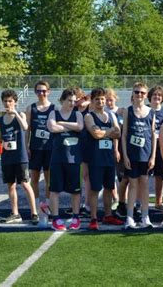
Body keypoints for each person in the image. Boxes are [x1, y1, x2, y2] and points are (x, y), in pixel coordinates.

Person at [85, 88, 124, 230]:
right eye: (97, 99)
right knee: (95, 189)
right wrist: (109, 132)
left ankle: (108, 216)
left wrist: (103, 133)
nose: (100, 101)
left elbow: (118, 133)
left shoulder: (111, 115)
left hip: (108, 158)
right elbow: (95, 134)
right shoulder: (89, 116)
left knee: (109, 188)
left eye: (102, 99)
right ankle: (94, 218)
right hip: (95, 158)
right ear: (92, 101)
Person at [0, 89, 38, 225]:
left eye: (10, 101)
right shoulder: (1, 119)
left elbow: (26, 127)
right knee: (10, 185)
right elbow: (1, 136)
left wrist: (15, 112)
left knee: (25, 184)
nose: (8, 103)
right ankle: (15, 213)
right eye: (5, 101)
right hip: (7, 157)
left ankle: (34, 213)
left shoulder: (20, 114)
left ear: (15, 102)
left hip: (20, 157)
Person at [47, 88, 84, 231]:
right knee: (55, 190)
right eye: (69, 100)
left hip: (74, 159)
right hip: (57, 158)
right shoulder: (53, 113)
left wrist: (61, 123)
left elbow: (80, 127)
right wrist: (70, 127)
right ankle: (56, 218)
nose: (72, 103)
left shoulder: (77, 114)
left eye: (74, 101)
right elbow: (52, 128)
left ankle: (76, 217)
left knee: (75, 191)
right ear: (62, 100)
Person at [122, 82, 156, 229]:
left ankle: (145, 217)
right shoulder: (128, 111)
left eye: (142, 92)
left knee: (145, 186)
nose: (139, 95)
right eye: (137, 92)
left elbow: (153, 136)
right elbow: (123, 136)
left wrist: (153, 156)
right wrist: (125, 156)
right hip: (132, 155)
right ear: (133, 94)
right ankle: (129, 217)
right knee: (133, 185)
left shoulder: (151, 112)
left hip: (146, 155)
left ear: (146, 94)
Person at [25, 81, 54, 217]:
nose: (41, 93)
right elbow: (27, 130)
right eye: (38, 91)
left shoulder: (54, 109)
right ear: (35, 92)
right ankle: (36, 207)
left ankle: (47, 206)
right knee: (34, 179)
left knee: (49, 180)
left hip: (50, 148)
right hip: (35, 148)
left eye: (43, 91)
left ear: (48, 91)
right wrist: (26, 147)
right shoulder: (31, 108)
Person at [148, 86, 163, 211]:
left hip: (160, 147)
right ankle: (140, 202)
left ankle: (158, 201)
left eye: (159, 95)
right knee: (143, 176)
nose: (157, 97)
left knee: (159, 176)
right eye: (155, 95)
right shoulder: (145, 110)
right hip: (146, 147)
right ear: (150, 96)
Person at [73, 88, 91, 217]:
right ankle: (75, 205)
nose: (74, 101)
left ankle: (87, 204)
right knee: (76, 176)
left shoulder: (89, 108)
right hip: (74, 146)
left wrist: (86, 100)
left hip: (87, 145)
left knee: (87, 177)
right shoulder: (73, 110)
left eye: (76, 98)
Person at [104, 88, 123, 210]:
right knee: (110, 174)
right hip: (108, 146)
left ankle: (123, 200)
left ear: (115, 99)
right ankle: (115, 198)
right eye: (107, 100)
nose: (108, 102)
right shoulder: (103, 112)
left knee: (122, 176)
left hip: (121, 146)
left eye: (111, 100)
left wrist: (118, 149)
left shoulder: (121, 111)